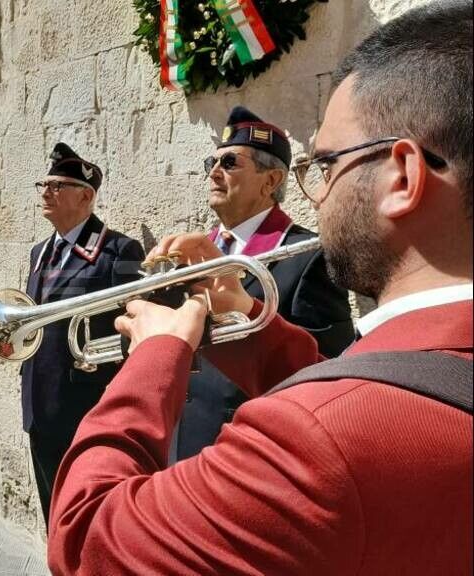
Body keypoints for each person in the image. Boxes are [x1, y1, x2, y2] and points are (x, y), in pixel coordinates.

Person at [47, 3, 473, 574]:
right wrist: (247, 316)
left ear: (403, 176)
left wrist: (154, 357)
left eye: (326, 166)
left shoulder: (311, 439)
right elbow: (355, 380)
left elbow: (84, 540)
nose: (318, 193)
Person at [173, 107, 354, 461]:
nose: (214, 172)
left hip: (252, 448)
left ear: (270, 181)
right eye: (212, 162)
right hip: (184, 439)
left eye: (229, 163)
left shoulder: (307, 256)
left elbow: (325, 372)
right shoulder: (198, 251)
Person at [21, 143, 144, 527]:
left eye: (57, 186)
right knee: (53, 516)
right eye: (44, 184)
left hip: (85, 407)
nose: (46, 192)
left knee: (88, 519)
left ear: (86, 196)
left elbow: (135, 330)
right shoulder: (39, 252)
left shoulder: (119, 251)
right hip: (39, 404)